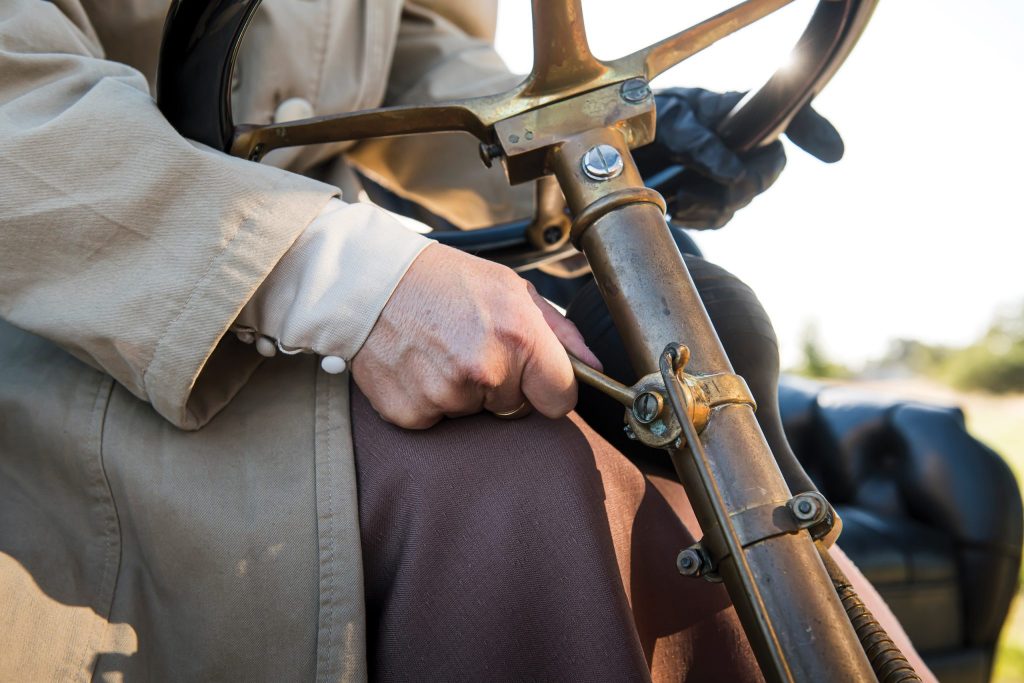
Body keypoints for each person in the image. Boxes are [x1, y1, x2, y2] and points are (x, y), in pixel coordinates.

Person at [0, 0, 935, 680]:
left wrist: (608, 135)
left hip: (268, 287)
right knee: (518, 478)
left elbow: (415, 55)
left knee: (719, 345)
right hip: (66, 306)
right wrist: (345, 281)